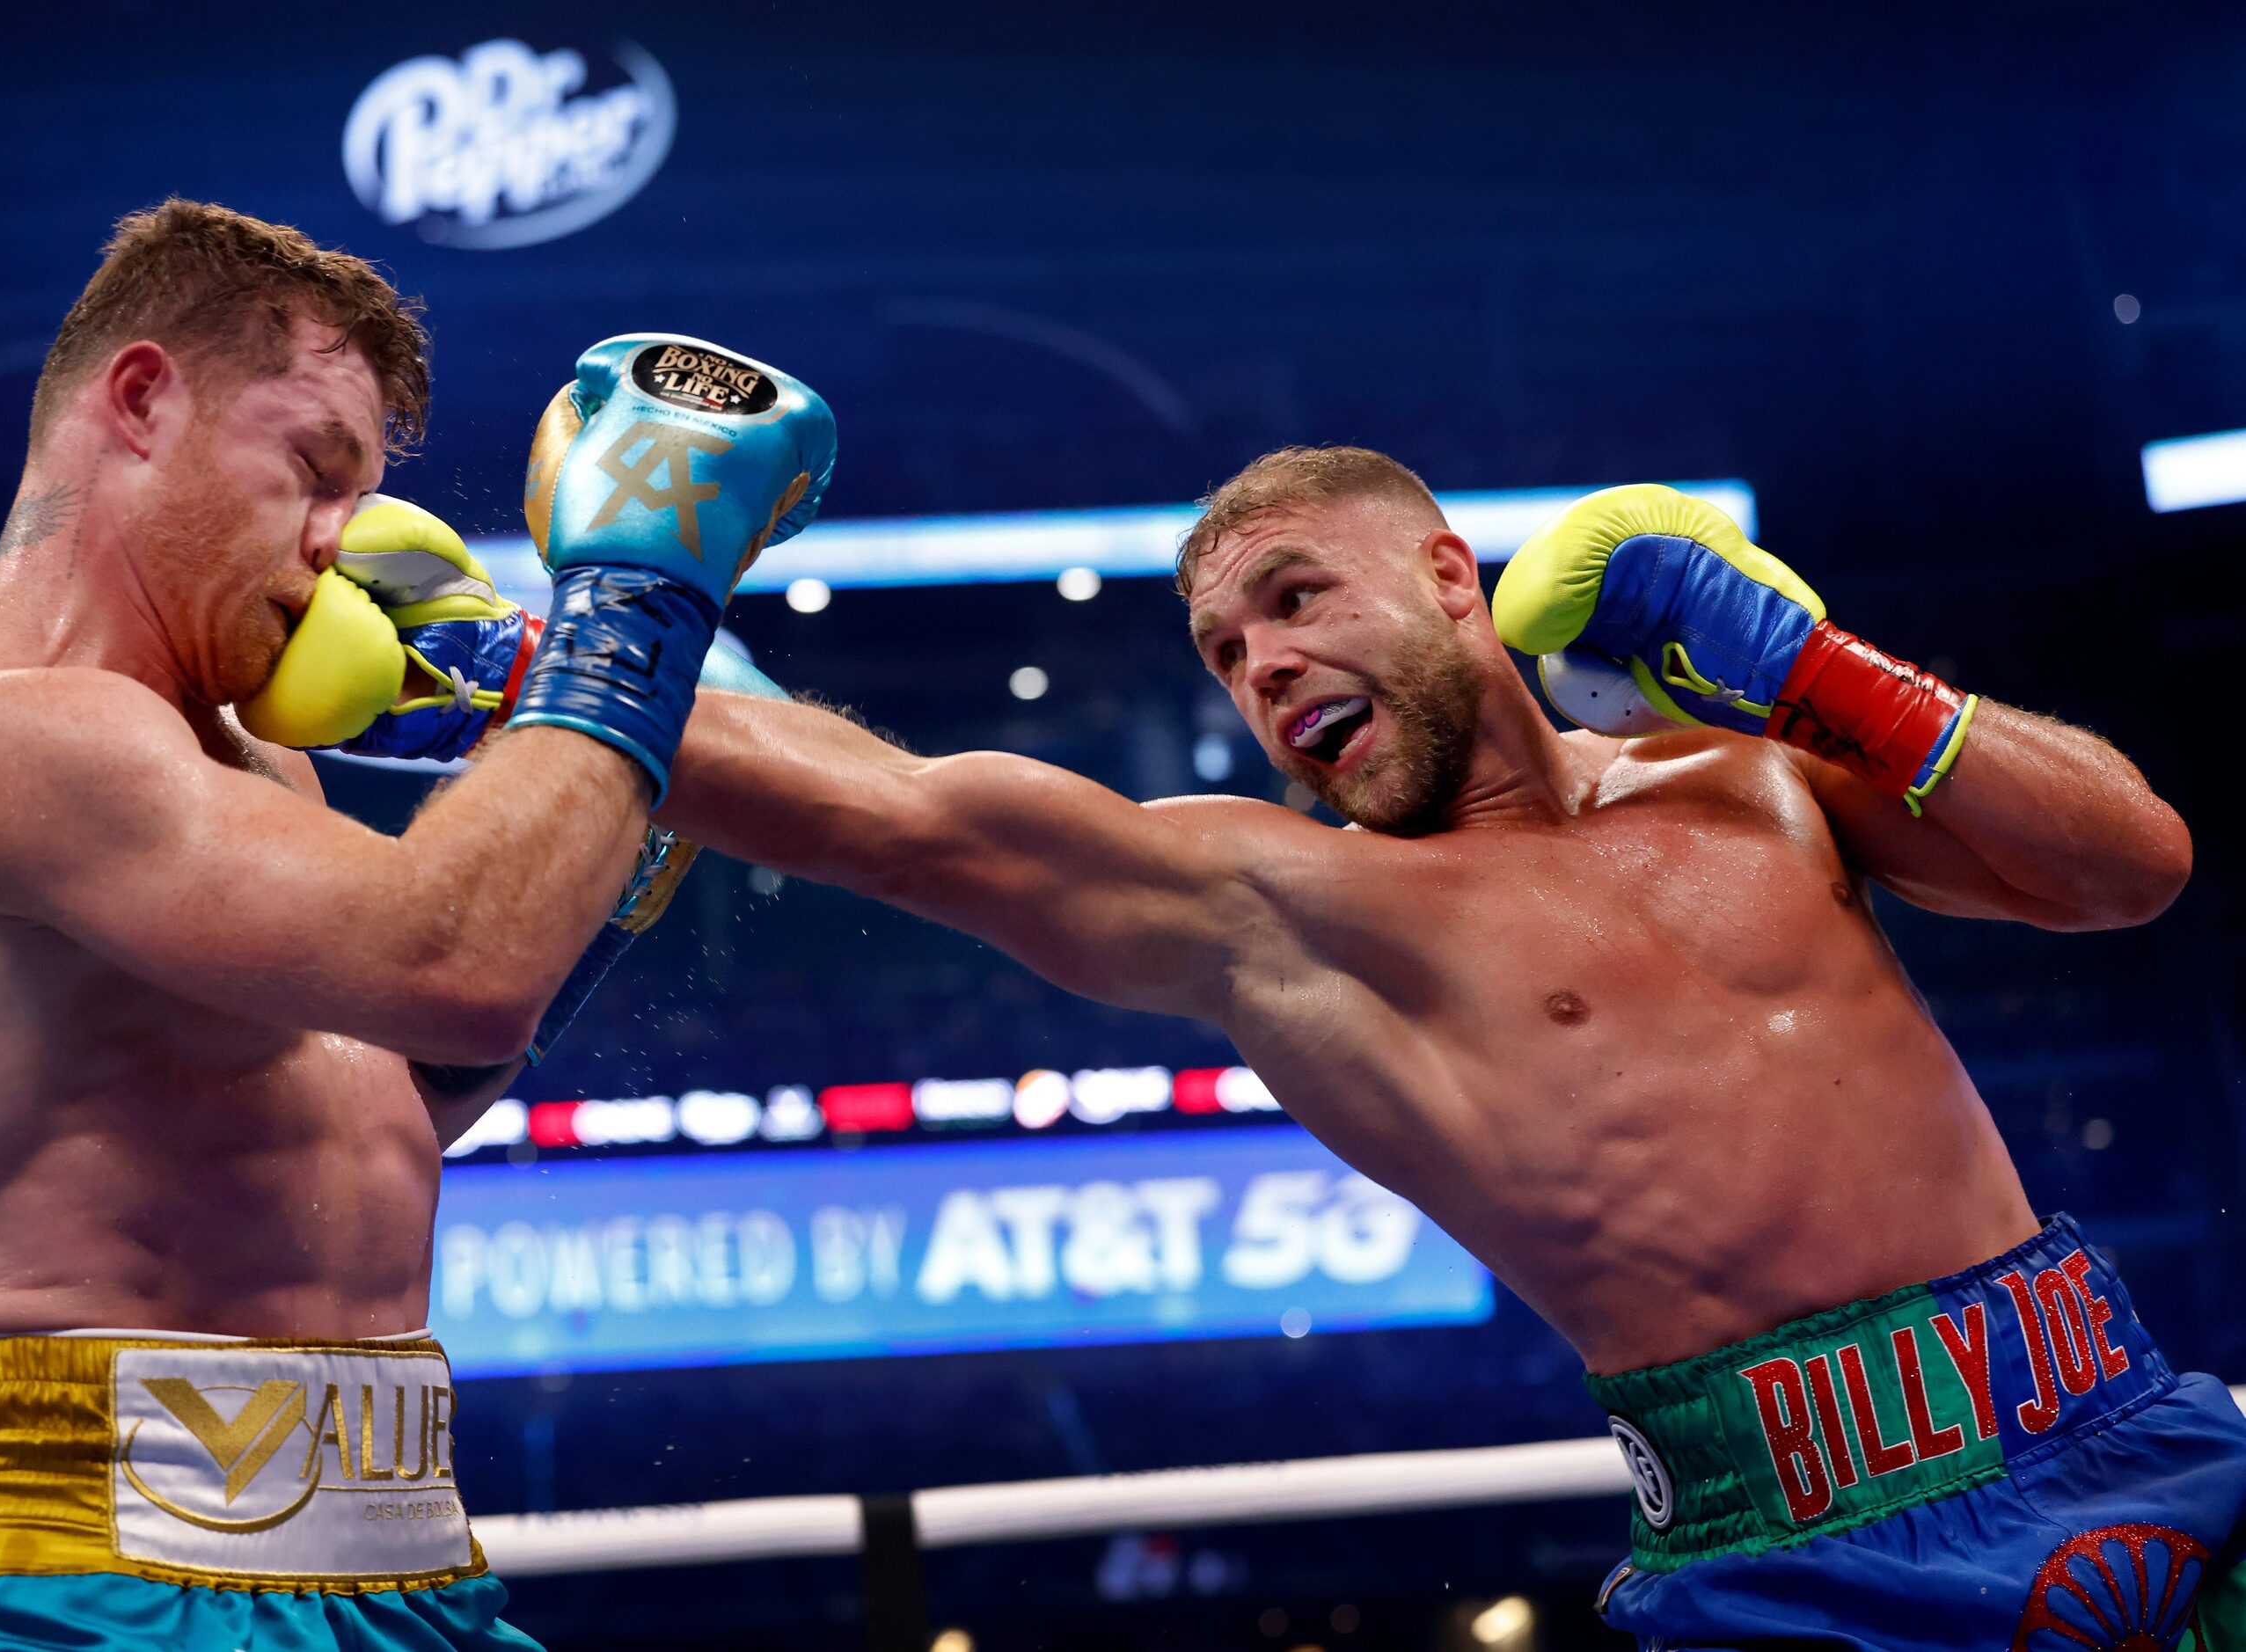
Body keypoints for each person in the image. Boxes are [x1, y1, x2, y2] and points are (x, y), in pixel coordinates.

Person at [646, 450, 2246, 1648]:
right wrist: (590, 629)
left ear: (1449, 577)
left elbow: (2129, 867)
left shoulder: (1742, 770)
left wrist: (1812, 666)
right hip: (1805, 1559)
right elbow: (910, 822)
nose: (1261, 664)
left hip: (2127, 1431)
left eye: (1293, 596)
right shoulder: (1288, 906)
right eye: (1221, 652)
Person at [0, 198, 831, 1650]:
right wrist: (634, 604)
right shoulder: (6, 738)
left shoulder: (252, 757)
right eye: (313, 471)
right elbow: (454, 965)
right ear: (141, 398)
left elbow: (374, 1114)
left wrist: (598, 886)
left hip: (410, 1567)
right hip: (118, 1598)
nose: (335, 546)